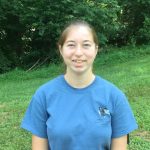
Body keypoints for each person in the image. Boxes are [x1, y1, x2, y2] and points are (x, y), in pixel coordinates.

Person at [21, 20, 138, 150]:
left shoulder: (115, 97)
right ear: (61, 49)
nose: (78, 52)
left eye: (86, 45)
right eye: (71, 45)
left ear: (96, 49)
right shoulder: (43, 96)